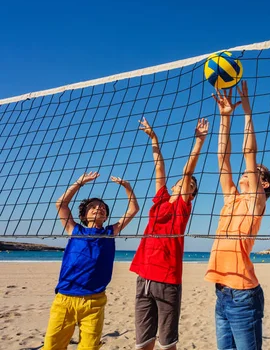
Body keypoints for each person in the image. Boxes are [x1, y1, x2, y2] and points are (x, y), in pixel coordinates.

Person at [205, 81, 270, 350]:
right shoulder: (232, 198)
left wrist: (247, 112)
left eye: (255, 170)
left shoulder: (255, 203)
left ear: (264, 184)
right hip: (222, 291)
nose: (247, 169)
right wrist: (225, 119)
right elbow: (223, 158)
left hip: (244, 294)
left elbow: (249, 152)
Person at [130, 117, 208, 350]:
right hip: (144, 277)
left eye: (191, 186)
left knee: (167, 344)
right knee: (142, 342)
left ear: (191, 194)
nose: (185, 184)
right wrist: (154, 138)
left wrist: (198, 142)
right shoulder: (161, 199)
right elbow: (159, 167)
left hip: (167, 280)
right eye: (184, 183)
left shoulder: (183, 207)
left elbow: (187, 173)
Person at [43, 171, 139, 350]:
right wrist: (79, 183)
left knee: (90, 347)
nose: (98, 208)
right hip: (65, 298)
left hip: (94, 301)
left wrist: (127, 187)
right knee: (52, 346)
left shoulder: (110, 232)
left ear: (106, 216)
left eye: (102, 207)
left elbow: (133, 209)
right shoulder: (74, 229)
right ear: (84, 214)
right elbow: (61, 204)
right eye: (93, 206)